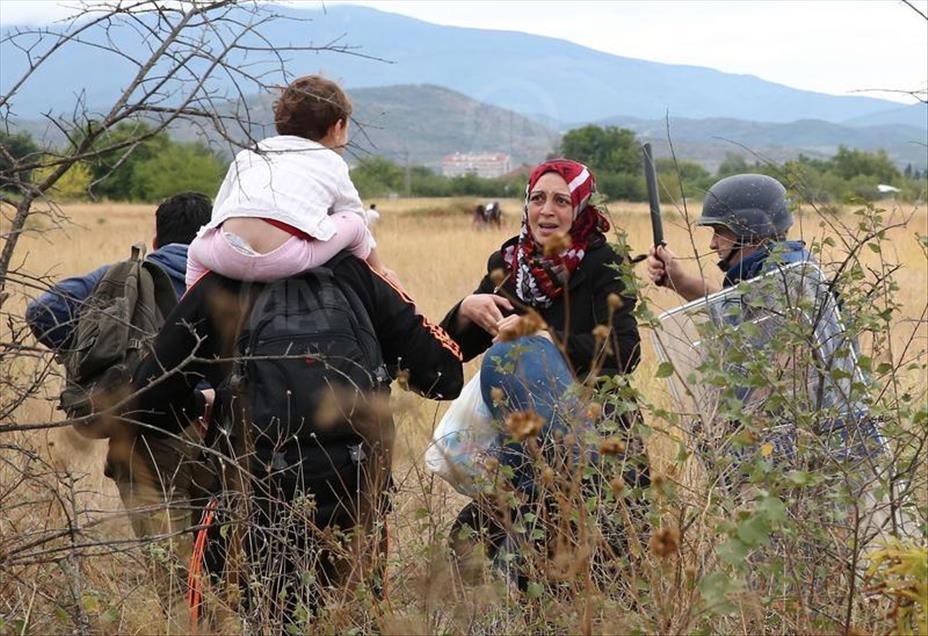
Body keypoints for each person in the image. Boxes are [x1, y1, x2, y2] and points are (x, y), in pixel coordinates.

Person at [128, 251, 463, 625]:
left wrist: (202, 402)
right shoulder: (355, 275)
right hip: (354, 506)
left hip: (247, 513)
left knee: (236, 619)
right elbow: (443, 376)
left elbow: (144, 403)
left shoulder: (224, 280)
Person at [439, 159, 645, 581]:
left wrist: (549, 338)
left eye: (561, 201)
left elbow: (626, 351)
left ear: (582, 208)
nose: (546, 211)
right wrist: (464, 310)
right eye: (537, 198)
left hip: (600, 435)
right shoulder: (510, 264)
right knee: (482, 548)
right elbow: (450, 352)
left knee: (602, 563)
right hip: (521, 443)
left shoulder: (605, 263)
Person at [25, 191, 213, 629]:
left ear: (156, 234)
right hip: (219, 433)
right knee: (224, 565)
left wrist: (99, 364)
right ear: (212, 233)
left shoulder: (124, 276)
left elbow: (44, 311)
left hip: (142, 438)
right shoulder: (229, 278)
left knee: (172, 581)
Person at [184, 74, 390, 290]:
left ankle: (188, 308)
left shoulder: (251, 152)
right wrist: (377, 266)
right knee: (355, 223)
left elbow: (220, 212)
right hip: (284, 259)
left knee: (195, 249)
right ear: (338, 128)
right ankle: (379, 273)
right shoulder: (331, 161)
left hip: (229, 253)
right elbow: (353, 214)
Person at [26, 191, 211, 349]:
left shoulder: (117, 277)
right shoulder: (232, 286)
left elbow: (42, 311)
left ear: (155, 244)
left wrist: (92, 354)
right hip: (206, 391)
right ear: (213, 243)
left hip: (122, 390)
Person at [646, 173, 808, 298]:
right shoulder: (787, 269)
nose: (713, 244)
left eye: (720, 231)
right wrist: (680, 281)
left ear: (750, 231)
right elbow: (731, 314)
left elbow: (738, 323)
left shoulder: (777, 283)